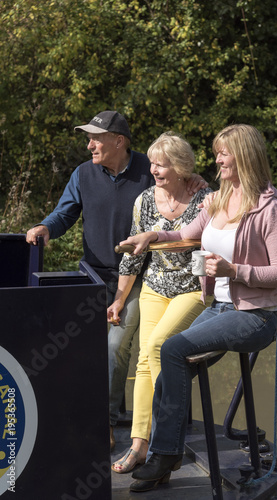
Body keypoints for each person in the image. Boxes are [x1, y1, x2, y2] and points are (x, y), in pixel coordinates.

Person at [116, 124, 277, 492]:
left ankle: (165, 455)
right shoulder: (216, 200)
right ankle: (164, 463)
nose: (217, 159)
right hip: (220, 307)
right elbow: (184, 234)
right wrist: (152, 236)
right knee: (167, 374)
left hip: (255, 315)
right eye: (217, 153)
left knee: (173, 348)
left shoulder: (271, 210)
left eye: (223, 153)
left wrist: (234, 271)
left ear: (244, 155)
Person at [25, 111, 207, 451]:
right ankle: (72, 419)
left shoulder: (149, 169)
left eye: (95, 138)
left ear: (118, 141)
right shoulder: (83, 173)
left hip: (138, 277)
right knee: (73, 351)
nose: (90, 144)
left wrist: (194, 180)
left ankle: (106, 424)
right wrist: (46, 226)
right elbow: (65, 211)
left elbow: (180, 189)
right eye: (88, 139)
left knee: (114, 347)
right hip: (91, 276)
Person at [107, 132, 213, 474]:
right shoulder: (145, 201)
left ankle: (165, 440)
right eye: (152, 162)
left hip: (191, 289)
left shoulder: (203, 197)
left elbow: (207, 242)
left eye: (161, 164)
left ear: (181, 166)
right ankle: (140, 445)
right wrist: (120, 299)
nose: (153, 169)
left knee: (155, 347)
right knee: (142, 358)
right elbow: (134, 257)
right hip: (155, 286)